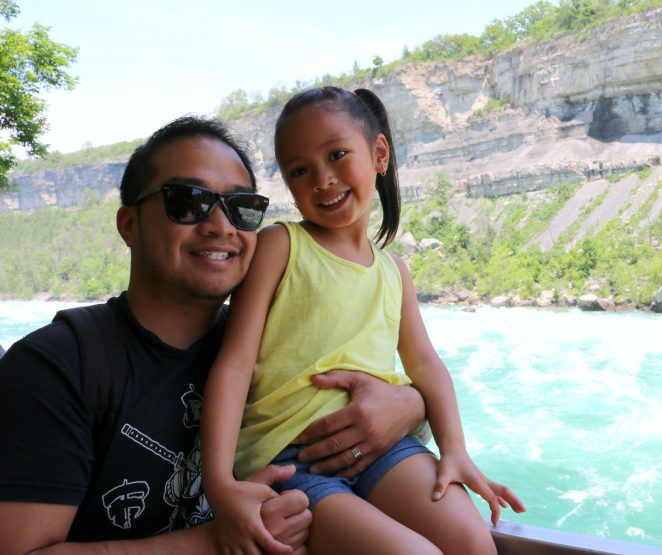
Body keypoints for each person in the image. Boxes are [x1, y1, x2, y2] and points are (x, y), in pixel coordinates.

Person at [0, 116, 428, 554]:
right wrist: (215, 543)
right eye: (188, 202)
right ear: (129, 224)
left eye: (241, 206)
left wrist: (412, 406)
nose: (221, 225)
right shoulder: (56, 366)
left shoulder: (274, 343)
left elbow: (352, 402)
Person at [202, 87, 525, 555]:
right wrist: (219, 483)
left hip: (384, 448)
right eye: (299, 170)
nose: (322, 179)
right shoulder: (281, 246)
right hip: (293, 461)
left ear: (378, 154)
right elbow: (234, 366)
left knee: (473, 543)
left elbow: (426, 365)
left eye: (336, 155)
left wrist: (456, 450)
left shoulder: (394, 271)